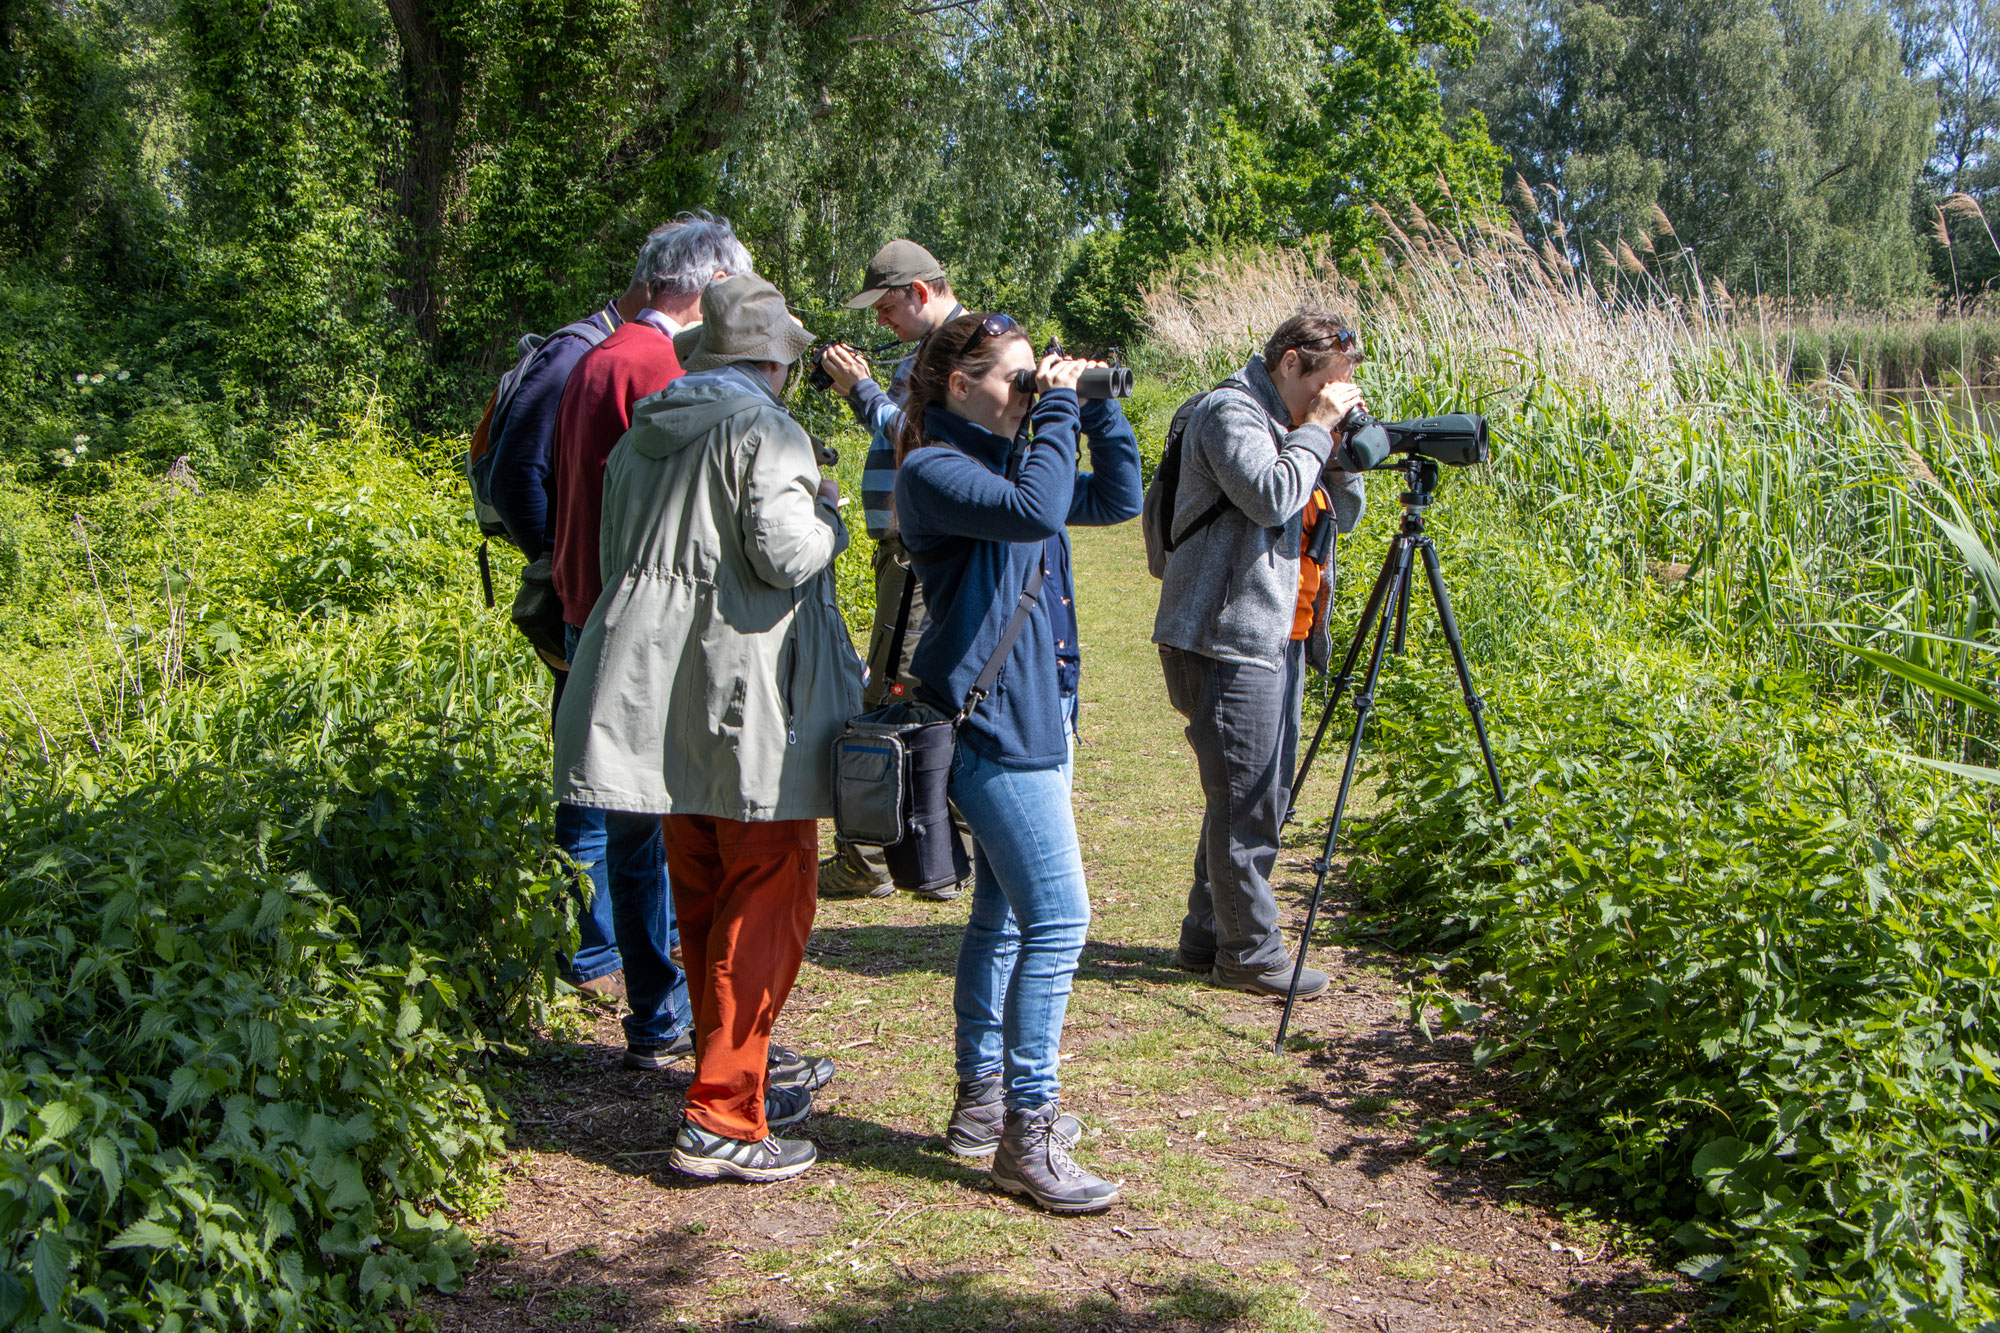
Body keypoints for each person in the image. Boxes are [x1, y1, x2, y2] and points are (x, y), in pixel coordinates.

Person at [552, 274, 858, 1183]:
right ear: (775, 361)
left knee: (703, 876)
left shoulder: (648, 429)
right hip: (742, 684)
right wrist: (833, 515)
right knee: (772, 882)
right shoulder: (765, 428)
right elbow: (786, 552)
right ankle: (723, 1111)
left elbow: (615, 557)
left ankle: (728, 1065)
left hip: (655, 687)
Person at [894, 312, 1137, 1214]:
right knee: (1061, 922)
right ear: (961, 386)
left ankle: (983, 1104)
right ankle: (1026, 1133)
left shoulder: (1005, 461)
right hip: (993, 726)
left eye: (1036, 381)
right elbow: (1040, 506)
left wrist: (1096, 408)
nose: (1028, 393)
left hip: (1040, 712)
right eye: (1015, 380)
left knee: (1004, 919)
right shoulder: (937, 470)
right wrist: (1059, 408)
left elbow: (1114, 500)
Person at [543, 211, 754, 1069]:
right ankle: (666, 1014)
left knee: (618, 812)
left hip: (584, 601)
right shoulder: (660, 364)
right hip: (638, 619)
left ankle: (654, 1005)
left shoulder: (598, 355)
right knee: (654, 826)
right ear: (703, 288)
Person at [1152, 312, 1380, 1001]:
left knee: (1255, 794)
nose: (1332, 396)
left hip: (1280, 630)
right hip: (1223, 634)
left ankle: (1206, 933)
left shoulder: (1296, 425)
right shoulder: (1231, 412)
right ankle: (1249, 951)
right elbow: (1272, 493)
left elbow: (1340, 512)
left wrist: (1336, 448)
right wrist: (1315, 431)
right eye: (1324, 384)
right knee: (1248, 801)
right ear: (1288, 362)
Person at [483, 243, 652, 1002]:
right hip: (578, 592)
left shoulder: (600, 346)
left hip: (589, 587)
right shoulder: (582, 353)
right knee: (589, 780)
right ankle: (588, 955)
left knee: (599, 772)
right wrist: (555, 556)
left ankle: (602, 945)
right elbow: (516, 470)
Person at [812, 239, 971, 901]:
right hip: (914, 552)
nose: (880, 321)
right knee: (923, 689)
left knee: (895, 691)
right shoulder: (940, 351)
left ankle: (871, 858)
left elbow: (913, 436)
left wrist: (861, 389)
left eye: (885, 306)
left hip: (916, 560)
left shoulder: (952, 354)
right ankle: (934, 845)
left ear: (920, 291)